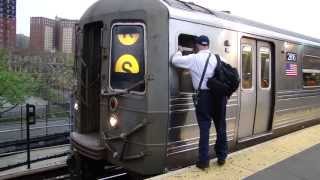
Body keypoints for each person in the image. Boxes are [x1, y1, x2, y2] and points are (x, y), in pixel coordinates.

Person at [171, 35, 228, 170]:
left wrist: (179, 50)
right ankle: (222, 156)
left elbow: (175, 61)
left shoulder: (194, 58)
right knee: (221, 127)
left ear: (197, 45)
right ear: (208, 45)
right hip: (219, 97)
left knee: (204, 129)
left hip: (203, 97)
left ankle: (203, 161)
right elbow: (231, 73)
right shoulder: (218, 58)